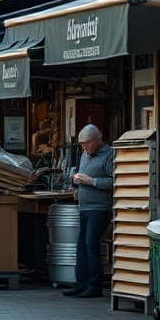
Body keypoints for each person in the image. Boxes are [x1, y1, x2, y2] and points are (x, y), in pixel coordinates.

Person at [64, 124, 114, 299]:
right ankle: (81, 283)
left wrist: (91, 181)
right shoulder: (86, 154)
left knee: (91, 245)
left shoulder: (109, 154)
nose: (83, 147)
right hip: (85, 207)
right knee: (82, 246)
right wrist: (76, 181)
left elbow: (114, 181)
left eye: (85, 143)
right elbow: (83, 174)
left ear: (96, 140)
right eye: (81, 144)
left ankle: (94, 285)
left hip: (99, 208)